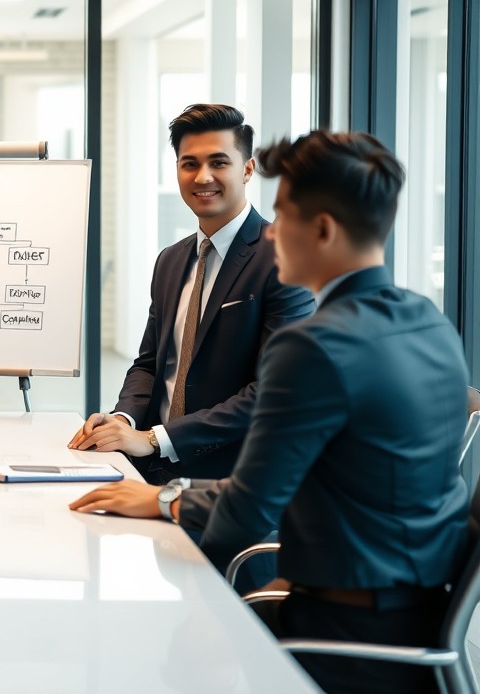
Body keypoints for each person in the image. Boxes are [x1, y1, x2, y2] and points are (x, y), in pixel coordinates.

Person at [69, 130, 471, 694]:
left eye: (283, 216)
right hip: (418, 610)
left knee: (145, 648)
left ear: (324, 230)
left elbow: (248, 509)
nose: (274, 231)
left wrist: (161, 499)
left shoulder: (313, 344)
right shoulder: (429, 321)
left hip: (339, 632)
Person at [70, 104, 313, 483]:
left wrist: (154, 439)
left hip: (227, 481)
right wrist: (122, 421)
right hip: (149, 472)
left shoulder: (282, 258)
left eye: (218, 163)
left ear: (247, 170)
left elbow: (272, 392)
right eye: (189, 164)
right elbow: (150, 364)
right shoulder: (171, 260)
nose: (203, 177)